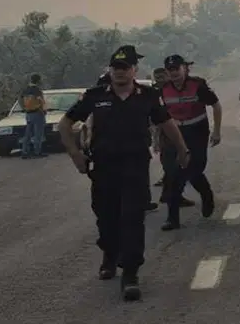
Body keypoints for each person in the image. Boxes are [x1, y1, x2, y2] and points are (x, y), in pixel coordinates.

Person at [58, 45, 189, 301]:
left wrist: (182, 149)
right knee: (106, 217)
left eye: (125, 68)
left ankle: (130, 272)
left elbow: (166, 123)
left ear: (134, 70)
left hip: (135, 166)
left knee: (132, 218)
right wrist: (75, 155)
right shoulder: (95, 96)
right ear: (110, 70)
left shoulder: (148, 95)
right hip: (103, 166)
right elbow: (65, 123)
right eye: (116, 68)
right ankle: (109, 253)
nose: (120, 72)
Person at [157, 54, 222, 230]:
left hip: (196, 132)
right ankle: (172, 218)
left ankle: (206, 194)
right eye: (170, 70)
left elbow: (216, 105)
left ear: (185, 68)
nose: (174, 73)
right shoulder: (162, 88)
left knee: (194, 169)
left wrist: (216, 131)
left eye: (177, 69)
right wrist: (157, 138)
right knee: (173, 174)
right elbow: (158, 115)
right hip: (173, 133)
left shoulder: (197, 85)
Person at [20, 74, 48, 159]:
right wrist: (43, 111)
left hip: (28, 113)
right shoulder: (37, 90)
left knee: (28, 134)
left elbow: (20, 100)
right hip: (37, 112)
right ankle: (37, 152)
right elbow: (40, 101)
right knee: (38, 134)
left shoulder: (25, 90)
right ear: (38, 81)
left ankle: (25, 151)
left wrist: (24, 108)